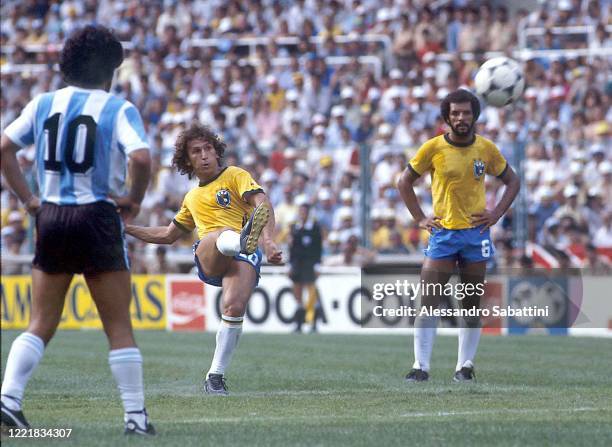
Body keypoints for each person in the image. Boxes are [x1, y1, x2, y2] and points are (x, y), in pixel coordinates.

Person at [0, 26, 155, 435]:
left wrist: (29, 201)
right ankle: (136, 418)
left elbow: (4, 148)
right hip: (96, 216)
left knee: (40, 322)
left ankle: (9, 399)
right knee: (118, 326)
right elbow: (140, 157)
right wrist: (134, 198)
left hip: (51, 218)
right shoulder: (116, 107)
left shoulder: (42, 104)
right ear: (111, 70)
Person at [125, 123, 282, 395]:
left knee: (233, 307)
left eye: (208, 148)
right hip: (211, 253)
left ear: (217, 151)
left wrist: (268, 241)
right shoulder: (192, 198)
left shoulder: (235, 175)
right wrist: (125, 228)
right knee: (222, 234)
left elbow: (262, 203)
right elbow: (167, 234)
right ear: (187, 161)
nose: (205, 155)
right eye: (197, 151)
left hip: (244, 256)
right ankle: (240, 240)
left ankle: (215, 377)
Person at [397, 89, 520, 382]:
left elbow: (512, 181)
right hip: (443, 234)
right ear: (447, 117)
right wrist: (420, 218)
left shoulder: (486, 149)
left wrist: (496, 213)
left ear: (474, 115)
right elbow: (404, 182)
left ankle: (465, 366)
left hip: (476, 235)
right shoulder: (433, 148)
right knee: (429, 300)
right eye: (455, 113)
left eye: (466, 113)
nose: (461, 118)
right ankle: (420, 367)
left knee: (471, 303)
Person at [288, 198, 323, 333]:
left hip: (309, 264)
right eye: (301, 211)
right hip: (297, 264)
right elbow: (291, 249)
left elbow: (318, 248)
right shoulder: (294, 228)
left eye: (304, 211)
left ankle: (313, 323)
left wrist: (317, 264)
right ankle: (299, 323)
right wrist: (289, 265)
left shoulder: (314, 228)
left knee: (311, 294)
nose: (302, 213)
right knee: (298, 294)